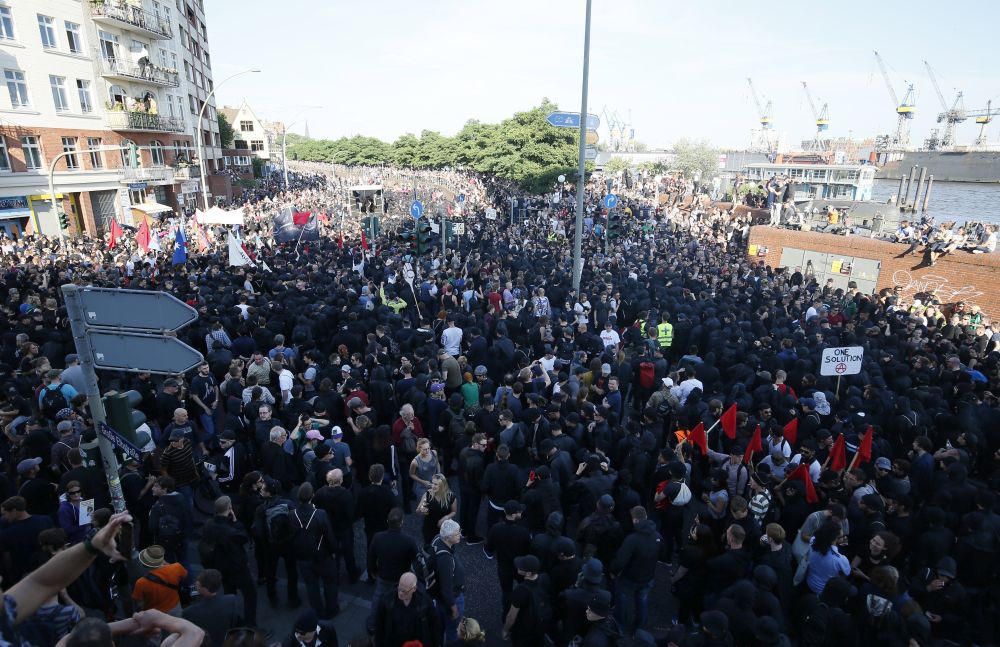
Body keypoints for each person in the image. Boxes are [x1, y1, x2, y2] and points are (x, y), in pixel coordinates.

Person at [198, 495, 256, 626]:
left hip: (220, 567)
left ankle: (233, 622)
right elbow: (243, 537)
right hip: (237, 568)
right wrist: (236, 522)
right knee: (250, 594)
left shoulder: (209, 524)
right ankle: (251, 625)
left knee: (230, 594)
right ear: (230, 508)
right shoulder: (230, 531)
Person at [610, 506, 661, 634]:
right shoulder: (657, 536)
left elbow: (620, 561)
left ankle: (620, 625)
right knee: (642, 601)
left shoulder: (632, 539)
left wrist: (613, 571)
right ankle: (639, 628)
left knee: (622, 600)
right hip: (648, 577)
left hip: (630, 578)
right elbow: (662, 554)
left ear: (635, 520)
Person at [291, 482, 339, 619]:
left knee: (311, 586)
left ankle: (318, 612)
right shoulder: (320, 514)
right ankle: (332, 610)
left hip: (303, 557)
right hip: (322, 556)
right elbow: (330, 536)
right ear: (312, 496)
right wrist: (333, 551)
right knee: (330, 584)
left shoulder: (292, 514)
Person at [373, 571, 441, 647]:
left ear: (414, 589)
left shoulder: (424, 601)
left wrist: (437, 643)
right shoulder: (387, 600)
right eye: (400, 588)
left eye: (404, 591)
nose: (400, 593)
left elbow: (434, 624)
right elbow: (379, 626)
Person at [182, 568, 241, 645]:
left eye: (198, 585)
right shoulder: (231, 600)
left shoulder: (188, 612)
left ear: (205, 589)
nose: (196, 584)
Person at [502, 554, 550, 647]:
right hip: (540, 624)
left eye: (520, 567)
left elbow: (511, 616)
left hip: (525, 627)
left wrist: (505, 629)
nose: (518, 567)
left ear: (528, 573)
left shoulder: (520, 590)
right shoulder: (545, 578)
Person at [432, 519, 465, 642]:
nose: (460, 535)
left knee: (438, 625)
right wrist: (453, 607)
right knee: (453, 630)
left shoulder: (437, 538)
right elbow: (446, 588)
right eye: (457, 533)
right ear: (448, 537)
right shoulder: (445, 560)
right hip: (451, 598)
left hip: (438, 597)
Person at [131, 545, 188, 614]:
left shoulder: (141, 582)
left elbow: (140, 605)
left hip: (154, 615)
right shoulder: (177, 567)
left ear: (145, 564)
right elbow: (184, 576)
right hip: (176, 610)